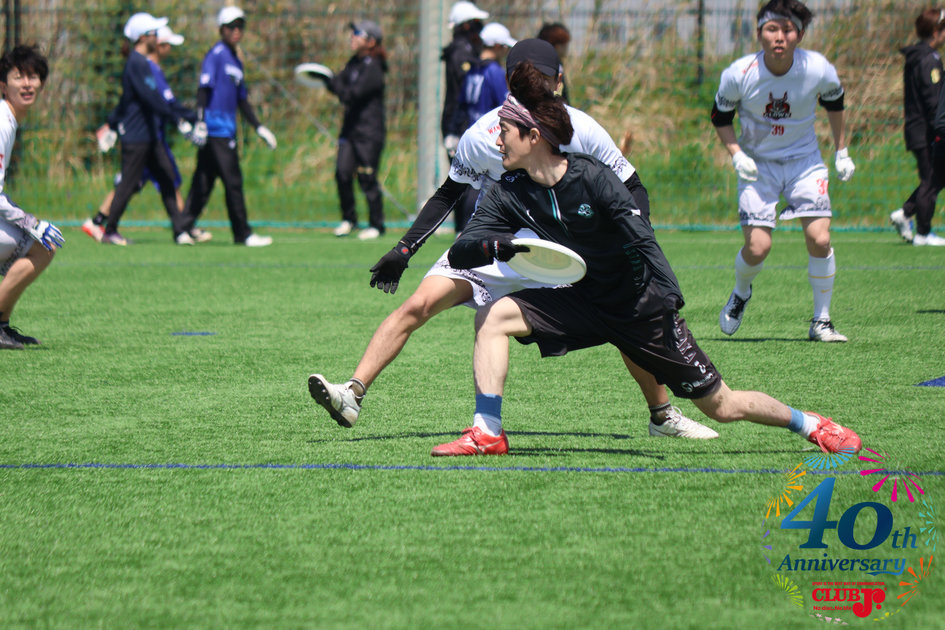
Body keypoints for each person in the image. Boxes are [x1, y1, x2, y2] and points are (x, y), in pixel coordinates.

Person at [431, 62, 862, 457]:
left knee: (722, 406)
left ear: (533, 136)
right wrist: (497, 247)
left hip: (639, 306)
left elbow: (641, 237)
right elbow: (464, 248)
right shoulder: (507, 191)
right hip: (581, 299)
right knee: (493, 315)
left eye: (505, 130)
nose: (497, 139)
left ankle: (812, 425)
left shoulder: (592, 177)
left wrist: (668, 295)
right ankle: (488, 432)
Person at [308, 40, 719, 441]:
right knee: (418, 304)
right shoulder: (484, 134)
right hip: (495, 247)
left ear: (558, 83)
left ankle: (662, 414)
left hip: (562, 255)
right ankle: (352, 394)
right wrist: (404, 249)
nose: (537, 86)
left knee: (621, 314)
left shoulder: (580, 128)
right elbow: (449, 194)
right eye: (527, 78)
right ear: (510, 82)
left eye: (544, 79)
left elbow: (632, 186)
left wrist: (630, 243)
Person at [712, 0, 854, 343]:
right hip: (757, 165)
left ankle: (822, 321)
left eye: (787, 30)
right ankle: (741, 292)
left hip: (804, 162)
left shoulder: (817, 68)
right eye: (772, 29)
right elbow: (720, 117)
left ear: (799, 35)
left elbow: (835, 104)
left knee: (820, 239)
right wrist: (736, 155)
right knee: (758, 248)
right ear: (759, 33)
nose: (779, 37)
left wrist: (842, 151)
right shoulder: (739, 73)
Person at [83, 24, 210, 245]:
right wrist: (180, 122)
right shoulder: (137, 63)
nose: (157, 38)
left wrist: (112, 124)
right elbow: (151, 99)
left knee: (167, 178)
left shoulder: (140, 63)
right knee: (128, 183)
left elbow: (135, 100)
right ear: (142, 37)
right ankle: (107, 228)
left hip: (150, 136)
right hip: (138, 135)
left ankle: (180, 230)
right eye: (153, 34)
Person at [179, 5, 275, 247]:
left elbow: (242, 100)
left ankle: (182, 228)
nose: (236, 31)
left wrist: (259, 127)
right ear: (221, 29)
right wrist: (200, 121)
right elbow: (203, 89)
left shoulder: (236, 60)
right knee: (233, 181)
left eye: (240, 26)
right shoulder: (216, 54)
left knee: (203, 181)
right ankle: (243, 234)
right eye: (231, 27)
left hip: (227, 129)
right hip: (216, 130)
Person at [0, 45, 65, 349]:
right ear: (3, 85)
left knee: (39, 245)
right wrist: (32, 223)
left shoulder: (8, 119)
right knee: (42, 246)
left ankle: (2, 325)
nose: (27, 84)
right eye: (19, 77)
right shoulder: (2, 123)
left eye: (34, 76)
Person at [445, 22, 516, 231]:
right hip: (491, 135)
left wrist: (453, 132)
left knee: (469, 183)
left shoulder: (473, 69)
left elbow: (462, 104)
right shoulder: (494, 72)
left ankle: (463, 228)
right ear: (497, 46)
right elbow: (505, 104)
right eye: (504, 47)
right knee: (484, 186)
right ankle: (472, 229)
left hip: (470, 132)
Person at [328, 20, 388, 241]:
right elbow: (339, 85)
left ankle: (376, 224)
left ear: (371, 42)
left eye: (357, 33)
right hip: (350, 131)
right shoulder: (353, 63)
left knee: (367, 177)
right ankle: (349, 219)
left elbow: (351, 94)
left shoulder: (374, 67)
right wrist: (326, 79)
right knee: (342, 173)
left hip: (368, 132)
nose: (352, 36)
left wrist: (333, 84)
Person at [891, 8, 945, 246]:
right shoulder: (929, 60)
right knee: (930, 181)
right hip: (926, 131)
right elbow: (934, 101)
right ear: (936, 31)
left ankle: (905, 213)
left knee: (935, 178)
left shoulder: (917, 56)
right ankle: (923, 233)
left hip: (917, 128)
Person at [441, 1, 488, 163]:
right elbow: (466, 87)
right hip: (458, 122)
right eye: (476, 22)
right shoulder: (462, 52)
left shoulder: (467, 50)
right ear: (466, 25)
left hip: (461, 120)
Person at [537, 22, 570, 103]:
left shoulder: (535, 63)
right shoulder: (553, 67)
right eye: (564, 44)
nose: (567, 48)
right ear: (557, 46)